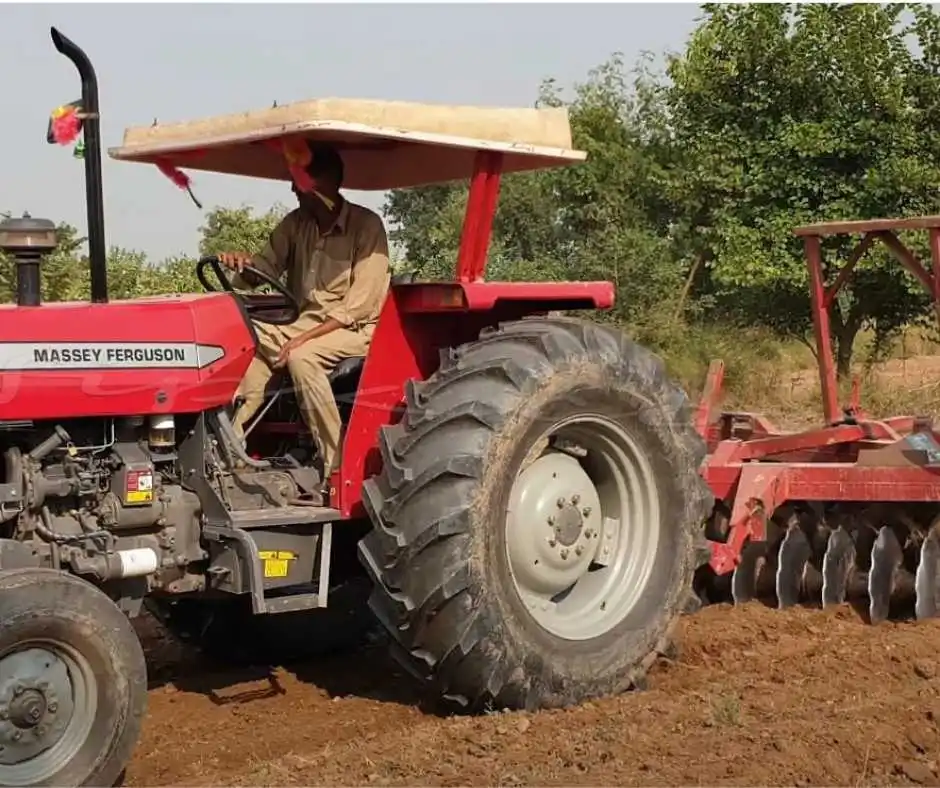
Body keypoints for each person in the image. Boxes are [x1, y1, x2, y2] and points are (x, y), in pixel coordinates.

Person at [219, 142, 390, 480]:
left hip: (355, 332)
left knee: (303, 358)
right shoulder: (296, 224)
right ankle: (229, 455)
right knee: (239, 339)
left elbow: (358, 307)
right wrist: (245, 266)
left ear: (324, 186)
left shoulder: (366, 227)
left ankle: (336, 464)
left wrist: (300, 341)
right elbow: (262, 269)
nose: (294, 190)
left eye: (300, 182)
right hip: (299, 326)